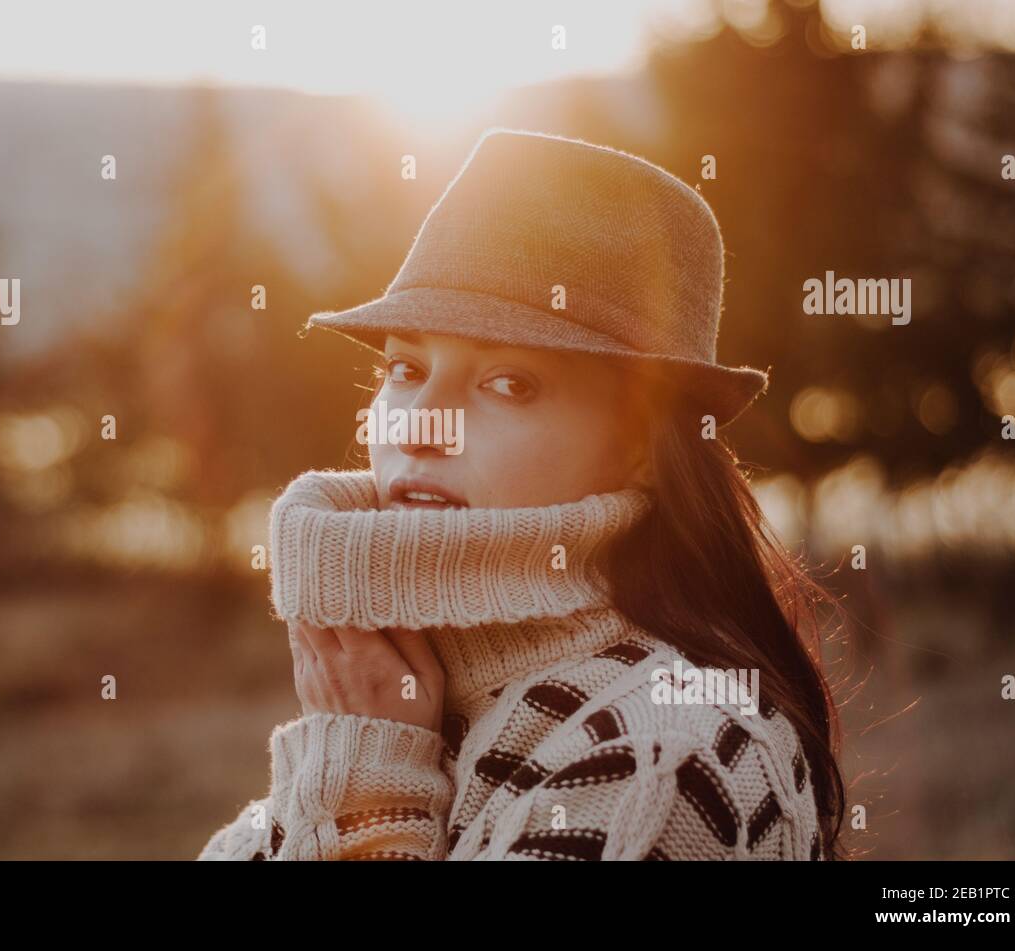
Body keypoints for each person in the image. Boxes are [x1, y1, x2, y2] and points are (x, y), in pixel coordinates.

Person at [198, 128, 846, 861]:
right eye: (406, 369)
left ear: (640, 446)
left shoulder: (668, 751)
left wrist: (371, 792)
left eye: (508, 383)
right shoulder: (394, 703)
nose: (421, 423)